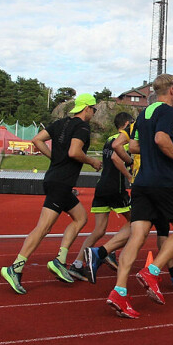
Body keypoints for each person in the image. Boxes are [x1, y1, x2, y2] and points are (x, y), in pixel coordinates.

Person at [106, 74, 173, 319]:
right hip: (163, 182)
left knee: (137, 236)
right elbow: (161, 139)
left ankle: (120, 291)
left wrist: (156, 153)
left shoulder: (143, 115)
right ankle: (153, 271)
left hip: (141, 182)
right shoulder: (167, 111)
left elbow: (133, 146)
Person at [1, 93, 102, 294]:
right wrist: (92, 161)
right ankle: (16, 267)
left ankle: (60, 260)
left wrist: (54, 158)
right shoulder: (82, 127)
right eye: (94, 109)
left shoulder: (61, 123)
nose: (94, 113)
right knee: (43, 227)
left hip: (55, 180)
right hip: (61, 183)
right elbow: (74, 152)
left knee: (80, 218)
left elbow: (37, 139)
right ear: (87, 108)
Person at [67, 112, 133, 282]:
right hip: (115, 188)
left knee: (98, 230)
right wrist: (129, 176)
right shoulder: (122, 140)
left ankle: (77, 264)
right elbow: (115, 158)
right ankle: (108, 252)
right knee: (138, 222)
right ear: (126, 124)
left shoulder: (108, 139)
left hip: (101, 187)